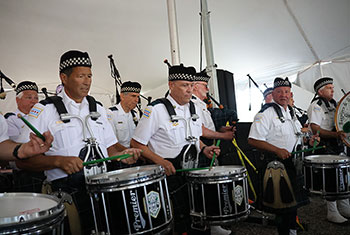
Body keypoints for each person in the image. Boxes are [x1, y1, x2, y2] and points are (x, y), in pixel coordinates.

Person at [16, 50, 142, 234]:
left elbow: (111, 148)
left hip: (102, 189)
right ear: (64, 78)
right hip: (68, 194)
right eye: (81, 76)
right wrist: (57, 161)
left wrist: (124, 155)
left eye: (90, 76)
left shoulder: (97, 108)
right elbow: (21, 160)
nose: (87, 81)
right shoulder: (44, 110)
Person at [130, 64, 220, 235]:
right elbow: (136, 143)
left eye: (192, 86)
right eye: (185, 85)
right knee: (180, 224)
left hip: (193, 171)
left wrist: (204, 148)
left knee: (199, 218)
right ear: (171, 85)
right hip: (170, 174)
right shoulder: (155, 110)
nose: (190, 90)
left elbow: (194, 137)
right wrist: (160, 161)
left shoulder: (194, 107)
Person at [248, 77, 318, 235]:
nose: (283, 95)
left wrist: (309, 139)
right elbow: (252, 140)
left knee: (292, 204)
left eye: (286, 92)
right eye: (279, 92)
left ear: (290, 94)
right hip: (275, 164)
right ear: (273, 94)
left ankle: (292, 231)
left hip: (292, 163)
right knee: (281, 207)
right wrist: (276, 150)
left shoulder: (290, 112)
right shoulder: (266, 113)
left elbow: (298, 134)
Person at [307, 77, 350, 223]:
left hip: (337, 144)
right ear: (320, 91)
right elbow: (315, 129)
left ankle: (344, 207)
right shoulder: (316, 105)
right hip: (325, 145)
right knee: (331, 178)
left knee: (342, 176)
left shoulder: (334, 104)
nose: (333, 90)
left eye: (333, 87)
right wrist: (335, 134)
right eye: (329, 88)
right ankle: (332, 212)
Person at [5, 81, 44, 192]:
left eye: (36, 98)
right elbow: (16, 144)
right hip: (26, 171)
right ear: (18, 100)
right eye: (29, 97)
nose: (34, 101)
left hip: (44, 167)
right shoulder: (11, 119)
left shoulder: (42, 117)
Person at [191, 69, 235, 141]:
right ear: (195, 87)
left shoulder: (201, 104)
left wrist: (220, 129)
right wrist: (223, 136)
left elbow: (207, 126)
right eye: (205, 86)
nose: (207, 89)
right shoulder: (193, 104)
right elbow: (200, 130)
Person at [107, 81, 141, 148]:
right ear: (122, 96)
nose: (137, 100)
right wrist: (129, 152)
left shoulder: (135, 115)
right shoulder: (111, 113)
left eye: (138, 97)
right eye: (133, 96)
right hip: (119, 155)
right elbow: (111, 142)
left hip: (134, 153)